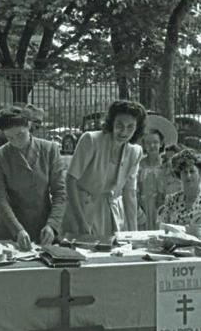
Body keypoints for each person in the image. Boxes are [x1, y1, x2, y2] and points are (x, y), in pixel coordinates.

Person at [62, 100, 146, 237]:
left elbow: (129, 192)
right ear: (111, 122)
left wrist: (134, 233)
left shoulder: (135, 152)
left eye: (130, 127)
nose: (124, 131)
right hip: (81, 209)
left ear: (137, 128)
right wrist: (81, 222)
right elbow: (70, 180)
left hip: (110, 212)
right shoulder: (90, 140)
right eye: (120, 125)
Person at [0, 106, 66, 249]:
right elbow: (0, 200)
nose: (16, 141)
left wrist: (52, 225)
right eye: (10, 138)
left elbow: (60, 193)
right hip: (9, 232)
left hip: (44, 229)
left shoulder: (50, 150)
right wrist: (18, 230)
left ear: (29, 125)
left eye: (20, 135)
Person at [159, 149, 201, 227]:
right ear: (179, 175)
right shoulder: (171, 201)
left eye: (192, 171)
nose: (188, 176)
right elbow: (164, 229)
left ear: (200, 173)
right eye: (184, 172)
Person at [137, 129, 166, 230]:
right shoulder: (139, 164)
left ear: (161, 144)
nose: (152, 146)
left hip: (162, 206)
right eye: (148, 143)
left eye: (155, 142)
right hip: (143, 207)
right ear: (144, 145)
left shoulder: (166, 165)